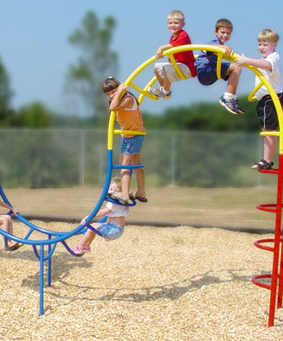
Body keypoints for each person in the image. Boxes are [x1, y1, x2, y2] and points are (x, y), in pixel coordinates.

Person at [234, 29, 283, 170]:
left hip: (271, 98)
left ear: (274, 45)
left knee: (268, 130)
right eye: (259, 44)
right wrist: (246, 62)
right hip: (265, 99)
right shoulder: (263, 60)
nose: (261, 47)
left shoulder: (273, 57)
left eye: (265, 44)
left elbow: (268, 66)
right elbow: (260, 65)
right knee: (266, 130)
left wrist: (247, 60)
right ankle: (266, 160)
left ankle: (267, 160)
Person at [103, 77, 147, 205]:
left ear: (120, 88)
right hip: (130, 135)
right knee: (133, 162)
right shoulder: (120, 99)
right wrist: (117, 93)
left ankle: (125, 194)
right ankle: (141, 192)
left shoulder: (128, 99)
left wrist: (121, 91)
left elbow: (113, 107)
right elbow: (112, 107)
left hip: (133, 135)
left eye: (113, 92)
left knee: (125, 165)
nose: (111, 96)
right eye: (108, 94)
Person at [194, 19, 245, 115]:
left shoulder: (220, 46)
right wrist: (224, 47)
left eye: (228, 33)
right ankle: (228, 97)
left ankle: (232, 99)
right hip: (205, 70)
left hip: (209, 71)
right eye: (223, 32)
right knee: (237, 67)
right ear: (216, 32)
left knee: (236, 68)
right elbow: (211, 47)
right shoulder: (215, 42)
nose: (225, 35)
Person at [148, 10, 196, 99]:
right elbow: (172, 51)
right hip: (177, 66)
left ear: (183, 24)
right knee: (156, 67)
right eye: (170, 23)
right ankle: (163, 89)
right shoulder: (172, 37)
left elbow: (174, 45)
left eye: (176, 23)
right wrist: (161, 53)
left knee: (166, 68)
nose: (172, 25)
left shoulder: (183, 35)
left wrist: (161, 48)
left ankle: (165, 91)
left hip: (187, 67)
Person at [74, 177, 128, 255]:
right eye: (111, 189)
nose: (112, 192)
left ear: (121, 193)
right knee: (93, 228)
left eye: (116, 191)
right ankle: (87, 246)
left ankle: (80, 246)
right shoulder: (121, 202)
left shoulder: (115, 203)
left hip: (113, 229)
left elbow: (102, 212)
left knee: (91, 228)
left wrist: (87, 218)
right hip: (115, 229)